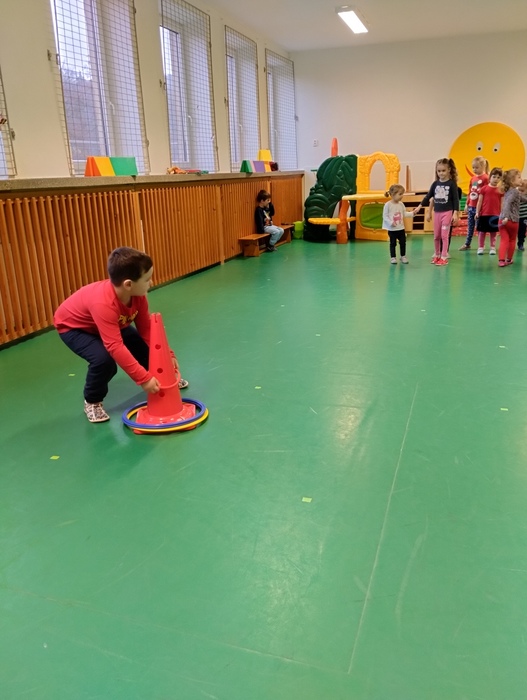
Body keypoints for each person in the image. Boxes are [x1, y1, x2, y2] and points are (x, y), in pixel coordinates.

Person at [54, 246, 188, 423]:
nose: (151, 283)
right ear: (128, 284)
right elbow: (115, 346)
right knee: (104, 361)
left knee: (141, 346)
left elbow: (147, 330)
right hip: (75, 328)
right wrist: (143, 379)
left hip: (112, 323)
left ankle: (163, 378)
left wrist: (167, 355)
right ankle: (92, 401)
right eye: (147, 279)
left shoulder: (138, 296)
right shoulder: (103, 304)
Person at [418, 158, 460, 266]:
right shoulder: (435, 184)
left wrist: (455, 213)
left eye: (443, 170)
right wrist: (419, 206)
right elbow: (428, 196)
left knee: (444, 236)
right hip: (437, 213)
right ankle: (437, 255)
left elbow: (456, 200)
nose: (441, 173)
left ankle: (444, 256)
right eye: (439, 171)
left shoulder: (452, 184)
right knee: (436, 236)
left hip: (447, 213)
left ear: (449, 170)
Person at [497, 169, 527, 267]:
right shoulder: (515, 192)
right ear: (512, 181)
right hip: (512, 220)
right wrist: (506, 217)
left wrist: (504, 217)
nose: (521, 179)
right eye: (519, 177)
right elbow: (507, 204)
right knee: (512, 240)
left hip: (501, 220)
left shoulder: (508, 191)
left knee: (504, 240)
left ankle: (501, 260)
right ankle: (509, 259)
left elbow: (523, 199)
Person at [459, 156, 489, 251]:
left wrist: (484, 206)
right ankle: (467, 243)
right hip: (471, 206)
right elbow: (470, 192)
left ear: (483, 166)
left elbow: (487, 193)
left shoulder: (486, 178)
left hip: (480, 208)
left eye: (477, 167)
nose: (474, 169)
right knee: (470, 226)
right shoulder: (473, 179)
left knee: (479, 227)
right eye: (473, 167)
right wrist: (467, 204)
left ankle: (481, 244)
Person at [382, 184, 417, 264]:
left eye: (402, 194)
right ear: (392, 194)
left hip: (401, 228)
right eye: (400, 194)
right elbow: (385, 216)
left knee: (403, 243)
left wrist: (412, 213)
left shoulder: (401, 204)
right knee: (393, 243)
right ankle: (393, 257)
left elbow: (404, 214)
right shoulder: (388, 205)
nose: (402, 196)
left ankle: (403, 256)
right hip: (392, 230)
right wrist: (391, 223)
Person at [475, 167, 503, 255]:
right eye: (494, 177)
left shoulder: (500, 190)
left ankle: (492, 247)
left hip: (495, 215)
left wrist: (502, 214)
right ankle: (480, 247)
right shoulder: (484, 189)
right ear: (490, 177)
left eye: (498, 177)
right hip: (484, 214)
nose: (496, 179)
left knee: (493, 232)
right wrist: (477, 212)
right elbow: (479, 201)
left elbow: (502, 203)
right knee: (482, 232)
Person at [516, 179, 527, 251]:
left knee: (522, 231)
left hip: (524, 217)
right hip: (515, 216)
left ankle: (520, 243)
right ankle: (510, 243)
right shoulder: (516, 194)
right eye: (519, 189)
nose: (521, 191)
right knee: (513, 231)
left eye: (523, 190)